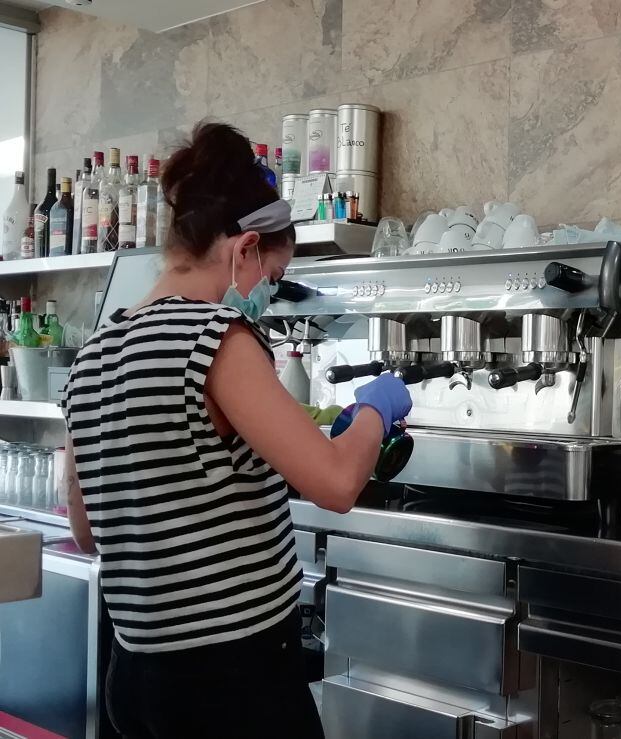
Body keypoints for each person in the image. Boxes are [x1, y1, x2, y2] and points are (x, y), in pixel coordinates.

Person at [60, 121, 411, 738]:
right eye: (272, 279)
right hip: (231, 684)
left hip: (135, 679)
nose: (265, 296)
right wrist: (376, 409)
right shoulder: (214, 337)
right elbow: (335, 483)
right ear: (244, 249)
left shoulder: (94, 353)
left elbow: (88, 532)